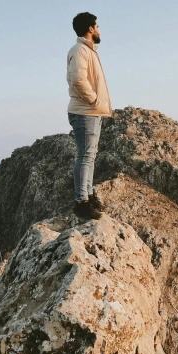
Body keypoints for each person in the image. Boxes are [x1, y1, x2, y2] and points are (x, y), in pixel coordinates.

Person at [66, 12, 113, 219]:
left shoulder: (87, 51)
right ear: (91, 29)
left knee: (90, 156)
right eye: (97, 26)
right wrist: (94, 101)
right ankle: (81, 202)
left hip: (90, 112)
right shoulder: (80, 50)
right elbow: (78, 79)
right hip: (85, 111)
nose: (100, 29)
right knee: (85, 156)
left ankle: (89, 194)